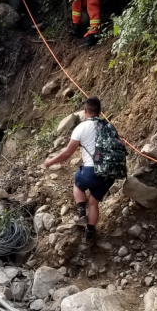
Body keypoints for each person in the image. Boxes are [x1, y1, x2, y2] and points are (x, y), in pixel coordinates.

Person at [42, 97, 115, 243]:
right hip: (110, 173)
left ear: (85, 111)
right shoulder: (109, 126)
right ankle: (89, 235)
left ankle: (81, 214)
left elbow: (68, 153)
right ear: (100, 111)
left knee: (77, 182)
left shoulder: (81, 128)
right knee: (93, 202)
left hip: (91, 171)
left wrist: (50, 161)